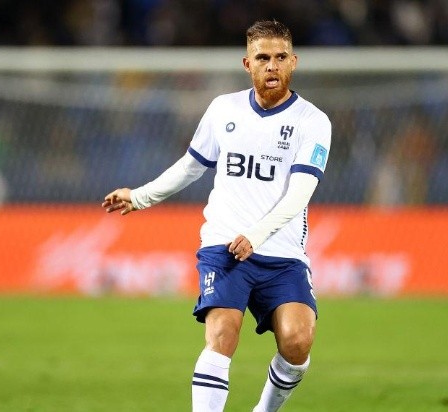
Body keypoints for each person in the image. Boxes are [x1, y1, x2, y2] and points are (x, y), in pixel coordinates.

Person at [101, 20, 331, 412]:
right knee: (222, 333)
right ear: (247, 64)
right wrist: (139, 197)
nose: (271, 66)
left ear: (294, 62)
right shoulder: (223, 109)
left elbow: (300, 193)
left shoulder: (314, 122)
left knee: (297, 342)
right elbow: (191, 166)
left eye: (279, 58)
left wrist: (257, 235)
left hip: (282, 253)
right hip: (224, 245)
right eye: (262, 58)